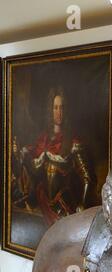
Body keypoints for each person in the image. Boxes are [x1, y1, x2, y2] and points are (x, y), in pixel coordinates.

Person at [13, 88, 92, 226]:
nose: (59, 112)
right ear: (50, 110)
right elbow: (30, 169)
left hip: (64, 202)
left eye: (61, 108)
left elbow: (87, 177)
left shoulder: (73, 142)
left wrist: (82, 204)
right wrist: (18, 153)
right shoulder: (43, 140)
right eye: (55, 108)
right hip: (41, 199)